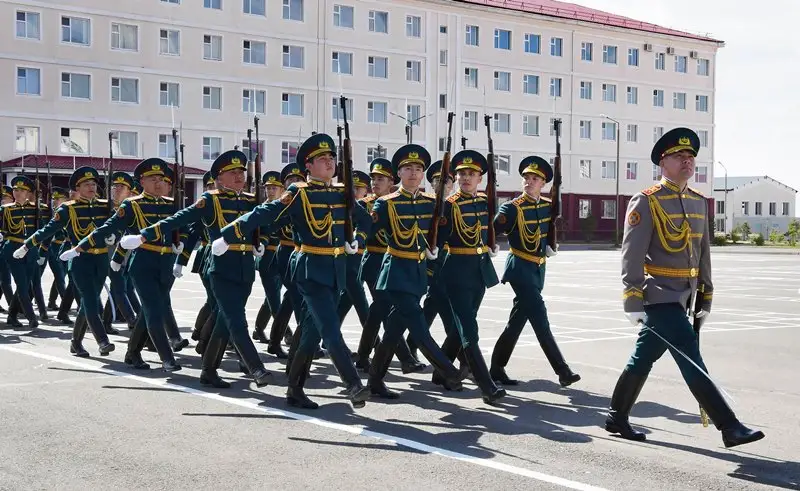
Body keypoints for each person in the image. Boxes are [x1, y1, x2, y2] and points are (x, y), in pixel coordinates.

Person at [605, 127, 764, 448]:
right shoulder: (647, 201)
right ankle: (729, 426)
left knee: (643, 357)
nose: (687, 162)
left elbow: (703, 252)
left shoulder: (697, 202)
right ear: (663, 163)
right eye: (680, 156)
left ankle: (616, 416)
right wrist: (632, 299)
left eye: (691, 157)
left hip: (686, 298)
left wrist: (705, 294)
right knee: (691, 357)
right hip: (659, 295)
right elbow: (631, 255)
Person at [214, 133, 371, 409]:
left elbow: (366, 221)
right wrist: (229, 234)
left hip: (336, 270)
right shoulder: (299, 192)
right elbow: (265, 212)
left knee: (311, 333)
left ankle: (294, 389)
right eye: (322, 159)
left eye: (331, 158)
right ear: (308, 166)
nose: (329, 162)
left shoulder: (341, 193)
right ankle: (353, 384)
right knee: (331, 328)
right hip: (310, 270)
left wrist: (357, 239)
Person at [118, 150, 271, 388]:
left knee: (223, 322)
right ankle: (256, 367)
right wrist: (143, 236)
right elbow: (177, 219)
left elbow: (268, 225)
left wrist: (262, 243)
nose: (239, 176)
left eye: (241, 171)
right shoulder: (210, 200)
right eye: (233, 172)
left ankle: (208, 371)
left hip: (245, 269)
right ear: (220, 178)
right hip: (221, 269)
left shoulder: (253, 200)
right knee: (236, 320)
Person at [66, 159, 184, 371]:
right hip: (143, 264)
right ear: (142, 181)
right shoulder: (133, 204)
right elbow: (108, 227)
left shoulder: (170, 204)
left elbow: (185, 226)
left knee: (149, 310)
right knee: (154, 310)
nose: (158, 183)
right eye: (152, 179)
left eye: (161, 179)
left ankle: (132, 353)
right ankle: (167, 358)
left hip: (166, 264)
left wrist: (181, 244)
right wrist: (79, 248)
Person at [366, 144, 464, 399]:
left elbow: (443, 229)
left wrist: (435, 249)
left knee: (393, 331)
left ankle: (375, 380)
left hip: (418, 271)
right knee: (419, 327)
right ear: (399, 173)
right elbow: (367, 230)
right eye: (408, 168)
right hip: (396, 271)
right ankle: (449, 371)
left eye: (418, 169)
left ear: (423, 175)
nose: (413, 173)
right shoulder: (385, 204)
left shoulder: (432, 203)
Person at [489, 156, 581, 387]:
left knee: (517, 322)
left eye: (535, 179)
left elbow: (549, 232)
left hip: (538, 269)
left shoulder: (547, 206)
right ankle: (562, 370)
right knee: (540, 319)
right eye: (527, 178)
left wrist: (551, 245)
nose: (529, 182)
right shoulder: (511, 208)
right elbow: (490, 232)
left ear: (544, 183)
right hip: (519, 268)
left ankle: (497, 368)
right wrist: (490, 246)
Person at [436, 150, 506, 404]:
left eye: (472, 174)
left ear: (480, 179)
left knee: (459, 327)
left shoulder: (485, 203)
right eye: (462, 174)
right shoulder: (449, 205)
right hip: (456, 272)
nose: (466, 178)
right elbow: (438, 242)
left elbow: (488, 230)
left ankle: (440, 372)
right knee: (469, 331)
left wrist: (492, 244)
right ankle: (487, 386)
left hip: (479, 272)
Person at [21, 167, 115, 355]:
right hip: (80, 260)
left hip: (101, 259)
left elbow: (118, 224)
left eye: (94, 184)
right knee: (89, 300)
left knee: (88, 303)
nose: (91, 187)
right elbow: (48, 229)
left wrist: (114, 235)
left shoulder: (104, 206)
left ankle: (75, 343)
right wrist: (27, 245)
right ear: (77, 188)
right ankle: (102, 340)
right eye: (86, 184)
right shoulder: (68, 208)